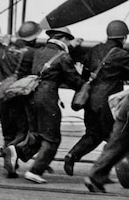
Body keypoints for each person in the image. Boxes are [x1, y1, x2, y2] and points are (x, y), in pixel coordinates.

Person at [64, 19, 129, 175]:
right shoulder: (122, 54)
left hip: (91, 99)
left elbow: (84, 70)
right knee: (121, 135)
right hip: (108, 102)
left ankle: (72, 155)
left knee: (93, 134)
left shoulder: (95, 50)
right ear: (123, 37)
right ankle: (120, 169)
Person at [16, 27, 84, 184]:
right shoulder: (63, 56)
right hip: (47, 96)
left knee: (35, 133)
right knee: (52, 139)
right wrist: (79, 74)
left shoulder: (37, 52)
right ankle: (35, 171)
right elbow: (75, 82)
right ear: (64, 39)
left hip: (30, 94)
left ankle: (14, 150)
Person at [0, 21, 42, 176]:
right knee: (23, 130)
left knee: (7, 132)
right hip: (19, 96)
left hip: (3, 94)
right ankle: (13, 150)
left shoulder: (6, 50)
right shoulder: (32, 53)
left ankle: (10, 165)